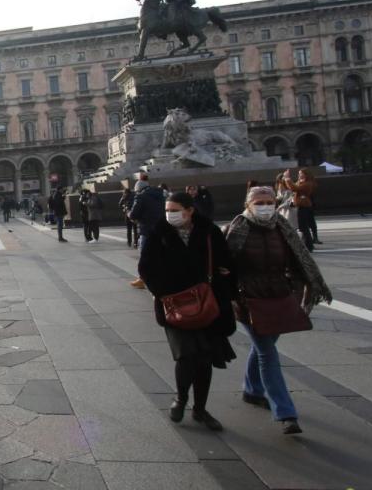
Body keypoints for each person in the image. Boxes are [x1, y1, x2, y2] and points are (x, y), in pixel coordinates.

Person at [225, 186, 333, 435]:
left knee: (264, 346)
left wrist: (301, 287)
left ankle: (252, 390)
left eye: (269, 201)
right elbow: (224, 265)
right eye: (259, 202)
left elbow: (299, 260)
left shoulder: (282, 229)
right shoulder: (237, 229)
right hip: (247, 299)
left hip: (279, 298)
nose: (265, 206)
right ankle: (285, 412)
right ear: (248, 204)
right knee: (267, 353)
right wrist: (229, 296)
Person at [139, 191, 237, 432]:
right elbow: (146, 268)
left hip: (206, 304)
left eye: (175, 209)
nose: (170, 214)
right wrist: (162, 292)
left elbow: (226, 264)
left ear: (190, 210)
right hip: (174, 304)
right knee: (186, 355)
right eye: (168, 210)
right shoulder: (158, 232)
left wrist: (224, 289)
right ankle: (181, 399)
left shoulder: (209, 232)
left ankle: (200, 409)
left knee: (204, 357)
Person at [128, 177, 165, 288]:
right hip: (161, 229)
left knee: (144, 255)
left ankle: (142, 279)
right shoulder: (161, 195)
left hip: (147, 229)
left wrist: (128, 213)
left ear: (138, 189)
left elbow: (134, 214)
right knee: (160, 254)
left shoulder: (141, 196)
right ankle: (160, 277)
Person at [281, 168, 320, 250]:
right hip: (301, 206)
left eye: (301, 173)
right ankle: (308, 245)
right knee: (303, 227)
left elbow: (295, 188)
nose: (299, 175)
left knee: (304, 227)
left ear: (306, 174)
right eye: (299, 173)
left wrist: (287, 178)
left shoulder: (308, 184)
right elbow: (292, 187)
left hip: (304, 206)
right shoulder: (303, 182)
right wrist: (287, 179)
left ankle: (309, 246)